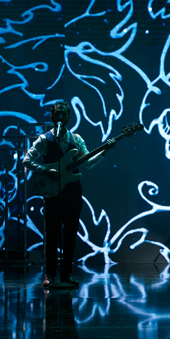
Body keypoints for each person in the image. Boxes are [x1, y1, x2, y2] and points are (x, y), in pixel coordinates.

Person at [23, 102, 115, 288]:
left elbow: (87, 163)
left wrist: (104, 151)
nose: (60, 117)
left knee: (70, 233)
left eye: (63, 114)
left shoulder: (76, 139)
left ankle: (66, 274)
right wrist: (45, 171)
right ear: (51, 116)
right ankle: (50, 274)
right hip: (53, 191)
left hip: (72, 191)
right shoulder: (44, 139)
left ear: (68, 117)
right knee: (52, 233)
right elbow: (27, 160)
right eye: (57, 114)